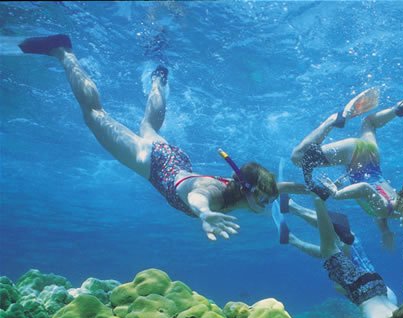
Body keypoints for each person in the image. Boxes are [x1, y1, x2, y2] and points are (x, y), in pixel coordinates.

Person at [19, 34, 306, 242]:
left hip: (175, 160)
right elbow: (196, 196)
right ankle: (63, 50)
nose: (269, 202)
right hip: (152, 163)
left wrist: (317, 190)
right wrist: (204, 216)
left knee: (148, 126)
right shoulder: (215, 194)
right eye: (265, 197)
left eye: (268, 198)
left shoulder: (247, 190)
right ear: (246, 188)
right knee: (94, 114)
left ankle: (159, 77)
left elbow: (281, 186)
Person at [290, 97, 403, 252]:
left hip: (372, 156)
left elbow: (379, 209)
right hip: (354, 155)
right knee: (298, 158)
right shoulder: (386, 209)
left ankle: (398, 109)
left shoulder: (396, 203)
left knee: (369, 123)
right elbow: (365, 188)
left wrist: (385, 231)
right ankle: (333, 120)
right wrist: (338, 193)